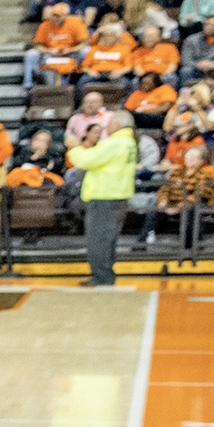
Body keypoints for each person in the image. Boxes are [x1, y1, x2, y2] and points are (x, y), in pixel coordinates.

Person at [73, 100, 137, 287]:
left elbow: (87, 160)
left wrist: (75, 147)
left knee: (98, 238)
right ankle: (106, 273)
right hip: (119, 195)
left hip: (104, 195)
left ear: (117, 125)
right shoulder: (129, 142)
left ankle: (101, 275)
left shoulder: (115, 143)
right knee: (109, 238)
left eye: (109, 122)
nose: (106, 125)